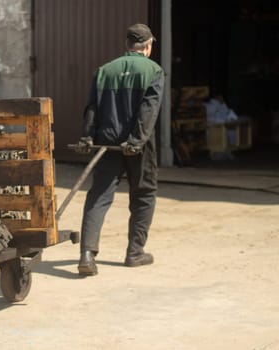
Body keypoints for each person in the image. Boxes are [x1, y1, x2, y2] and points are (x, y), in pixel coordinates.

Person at [76, 23, 165, 276]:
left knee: (99, 196)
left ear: (127, 45)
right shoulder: (154, 70)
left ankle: (86, 254)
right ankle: (135, 253)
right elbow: (149, 110)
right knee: (144, 195)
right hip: (139, 147)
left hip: (106, 144)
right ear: (147, 46)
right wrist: (136, 141)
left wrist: (87, 137)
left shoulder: (104, 70)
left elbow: (92, 107)